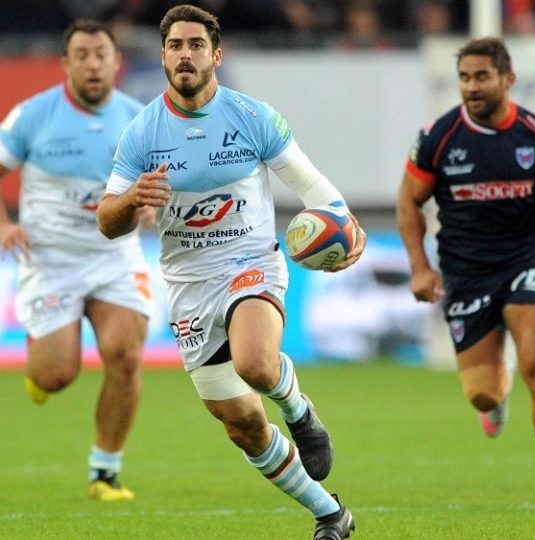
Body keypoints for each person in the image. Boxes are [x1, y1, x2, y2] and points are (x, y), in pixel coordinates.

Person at [97, 5, 365, 539]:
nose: (185, 55)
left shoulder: (252, 116)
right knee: (241, 426)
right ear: (164, 55)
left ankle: (300, 411)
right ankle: (330, 515)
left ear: (216, 55)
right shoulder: (142, 132)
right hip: (188, 287)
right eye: (175, 46)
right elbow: (107, 221)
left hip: (250, 264)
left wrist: (344, 225)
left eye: (196, 45)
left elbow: (312, 185)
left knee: (257, 364)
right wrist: (131, 200)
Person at [396, 37, 535, 508]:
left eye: (481, 77)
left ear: (508, 79)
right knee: (484, 397)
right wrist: (420, 267)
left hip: (524, 261)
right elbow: (409, 200)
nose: (471, 87)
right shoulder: (439, 137)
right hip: (466, 272)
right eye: (465, 78)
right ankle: (499, 388)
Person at [0, 19, 151, 502]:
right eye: (83, 55)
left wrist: (149, 201)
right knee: (55, 374)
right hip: (51, 261)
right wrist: (3, 226)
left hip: (114, 256)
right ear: (66, 64)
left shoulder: (139, 120)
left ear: (116, 62)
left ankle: (104, 473)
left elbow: (157, 184)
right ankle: (40, 366)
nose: (93, 64)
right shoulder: (33, 115)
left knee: (126, 356)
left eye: (101, 55)